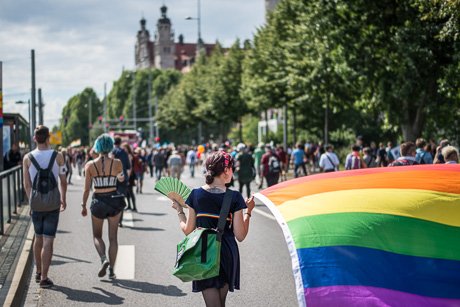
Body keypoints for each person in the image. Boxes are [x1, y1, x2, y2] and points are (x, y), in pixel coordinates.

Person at [171, 151, 255, 307]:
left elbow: (188, 230)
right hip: (226, 253)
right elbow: (240, 235)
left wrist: (179, 211)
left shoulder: (195, 195)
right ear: (225, 171)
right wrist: (248, 212)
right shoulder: (234, 197)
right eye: (232, 168)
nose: (233, 172)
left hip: (204, 253)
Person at [23, 125, 67, 288]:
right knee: (48, 239)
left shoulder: (27, 158)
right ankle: (44, 278)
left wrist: (31, 202)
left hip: (36, 203)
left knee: (38, 237)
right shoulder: (58, 156)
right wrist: (64, 198)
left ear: (35, 138)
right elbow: (63, 180)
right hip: (53, 203)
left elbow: (26, 185)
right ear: (48, 138)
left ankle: (38, 272)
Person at [81, 134, 125, 279]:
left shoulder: (90, 165)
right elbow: (121, 178)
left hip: (98, 201)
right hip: (114, 200)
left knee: (97, 236)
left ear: (97, 147)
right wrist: (119, 177)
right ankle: (112, 269)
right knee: (113, 237)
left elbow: (87, 189)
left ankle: (103, 258)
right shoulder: (117, 163)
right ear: (110, 146)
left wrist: (83, 205)